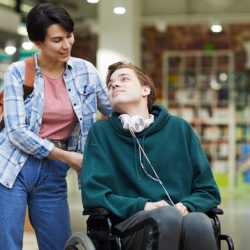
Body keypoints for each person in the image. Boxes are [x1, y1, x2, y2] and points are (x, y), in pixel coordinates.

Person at [0, 3, 112, 250]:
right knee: (7, 244)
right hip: (12, 168)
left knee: (59, 244)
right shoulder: (17, 73)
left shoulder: (85, 71)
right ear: (38, 43)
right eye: (57, 40)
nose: (67, 45)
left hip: (54, 171)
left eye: (69, 36)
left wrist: (144, 114)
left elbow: (113, 112)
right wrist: (68, 157)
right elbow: (16, 132)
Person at [81, 61, 221, 250]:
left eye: (124, 79)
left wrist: (187, 206)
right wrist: (143, 205)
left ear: (145, 90)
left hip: (180, 217)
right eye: (110, 84)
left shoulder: (180, 128)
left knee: (199, 222)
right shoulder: (101, 132)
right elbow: (94, 194)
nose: (114, 84)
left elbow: (208, 190)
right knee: (167, 216)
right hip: (126, 228)